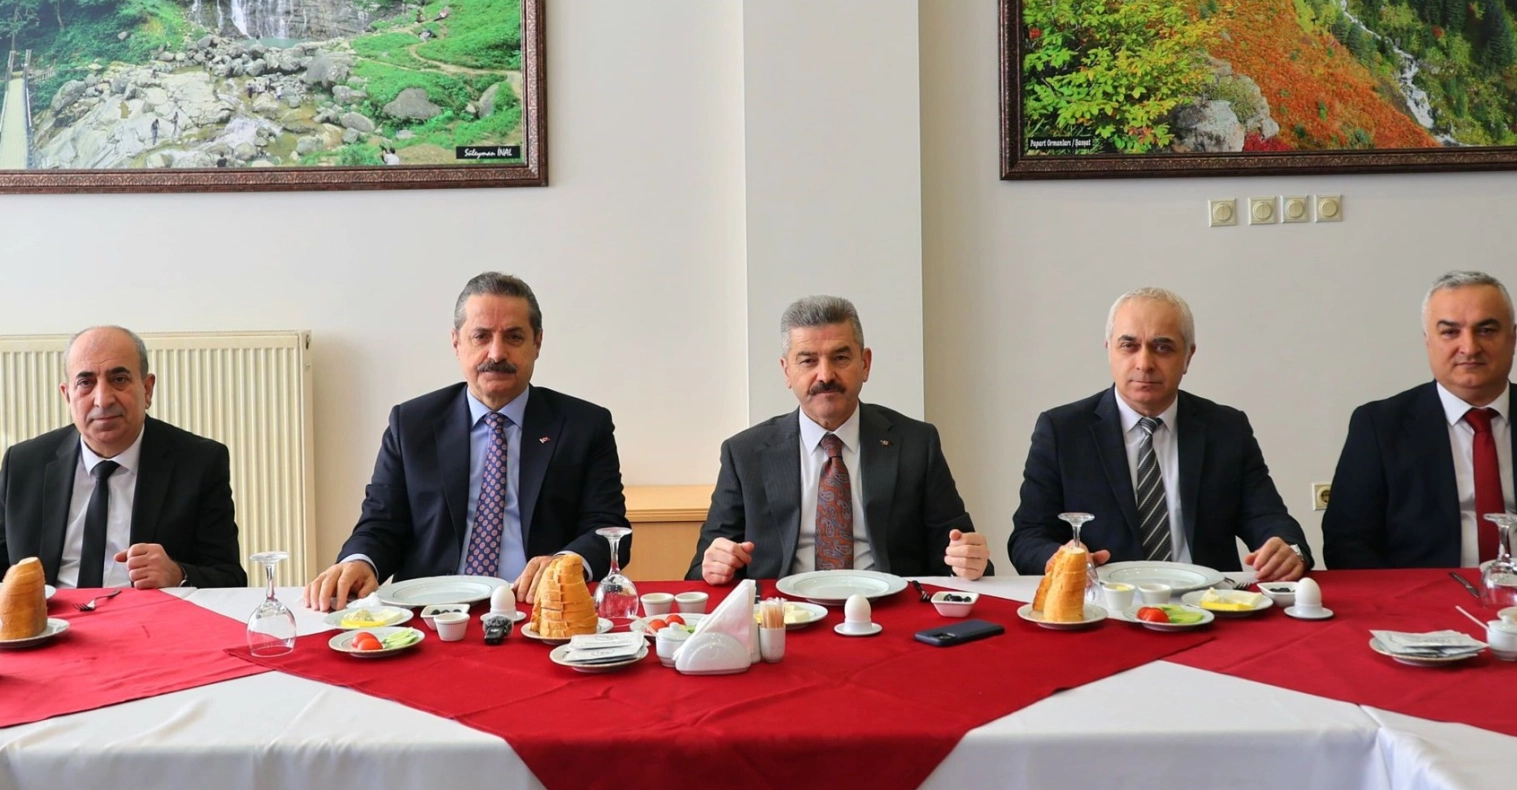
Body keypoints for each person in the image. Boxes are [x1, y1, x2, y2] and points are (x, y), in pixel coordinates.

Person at [305, 272, 630, 611]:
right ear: (456, 343)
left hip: (538, 606)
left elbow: (609, 529)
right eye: (481, 336)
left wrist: (566, 561)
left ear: (537, 343)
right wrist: (360, 561)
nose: (497, 353)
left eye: (514, 337)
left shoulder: (583, 426)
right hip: (432, 610)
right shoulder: (412, 424)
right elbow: (381, 524)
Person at [1323, 270, 1517, 569]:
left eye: (1486, 330)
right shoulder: (1379, 426)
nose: (1470, 347)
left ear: (1513, 338)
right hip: (1422, 594)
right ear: (1428, 341)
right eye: (1450, 332)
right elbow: (1347, 544)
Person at [1009, 287, 1309, 581]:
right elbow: (1028, 536)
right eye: (1129, 346)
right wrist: (1059, 558)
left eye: (1162, 347)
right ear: (1109, 350)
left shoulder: (1226, 428)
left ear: (1188, 356)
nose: (1144, 364)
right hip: (1103, 600)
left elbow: (1268, 518)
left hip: (1206, 601)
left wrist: (1289, 550)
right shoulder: (1063, 431)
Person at [690, 295, 990, 585]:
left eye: (841, 358)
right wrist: (714, 565)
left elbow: (960, 553)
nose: (825, 375)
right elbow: (699, 571)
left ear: (865, 364)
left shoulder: (916, 444)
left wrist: (967, 561)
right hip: (784, 610)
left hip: (888, 607)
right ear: (787, 371)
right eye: (808, 361)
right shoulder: (745, 453)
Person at [0, 326, 243, 588]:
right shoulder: (23, 464)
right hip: (50, 612)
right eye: (85, 383)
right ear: (67, 395)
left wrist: (178, 574)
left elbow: (230, 578)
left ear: (147, 389)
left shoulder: (199, 462)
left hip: (148, 612)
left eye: (119, 379)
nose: (103, 400)